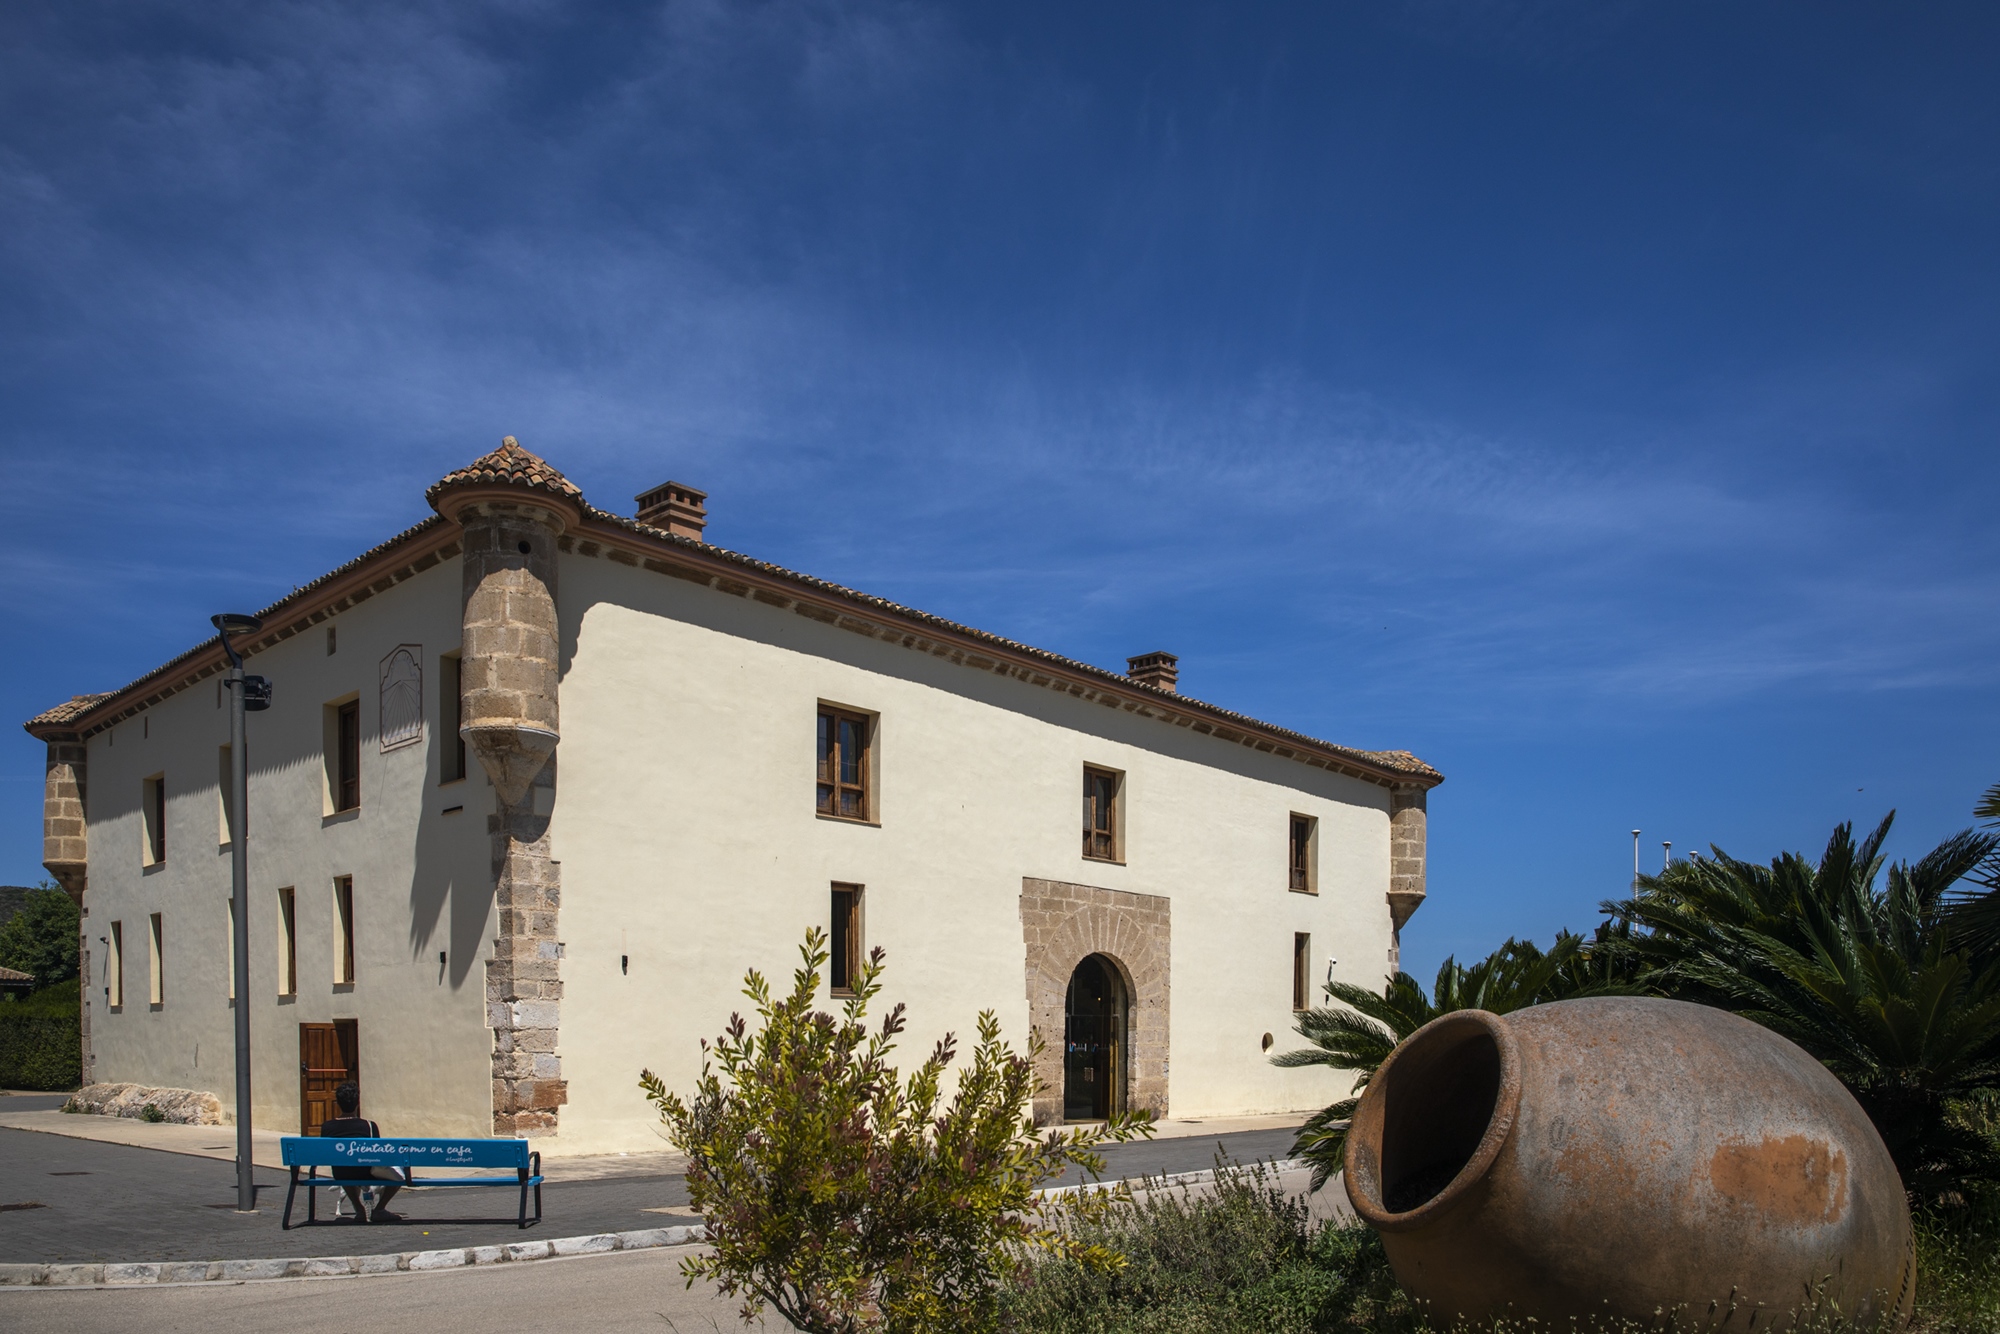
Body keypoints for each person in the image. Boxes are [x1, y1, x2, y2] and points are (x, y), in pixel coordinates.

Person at [318, 1082, 405, 1222]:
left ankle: (359, 1209)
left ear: (338, 1103)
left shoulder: (327, 1127)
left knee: (345, 1167)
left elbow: (324, 1154)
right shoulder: (369, 1126)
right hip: (365, 1172)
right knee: (401, 1173)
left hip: (340, 1173)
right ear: (357, 1103)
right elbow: (378, 1153)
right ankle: (380, 1209)